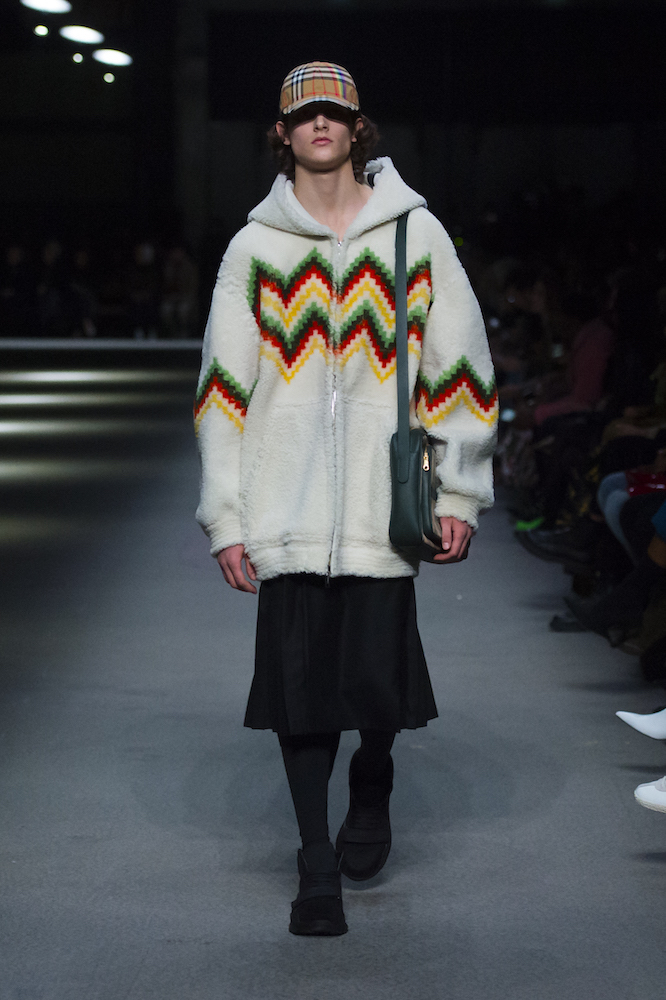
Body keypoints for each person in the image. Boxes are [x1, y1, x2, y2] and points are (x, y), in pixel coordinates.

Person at [194, 62, 497, 936]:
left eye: (334, 113)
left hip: (380, 504)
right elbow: (222, 391)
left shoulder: (415, 234)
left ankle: (374, 773)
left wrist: (461, 490)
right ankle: (314, 863)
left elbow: (460, 368)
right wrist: (227, 516)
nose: (319, 125)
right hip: (283, 505)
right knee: (300, 695)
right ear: (282, 133)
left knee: (374, 685)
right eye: (304, 115)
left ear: (358, 128)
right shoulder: (254, 250)